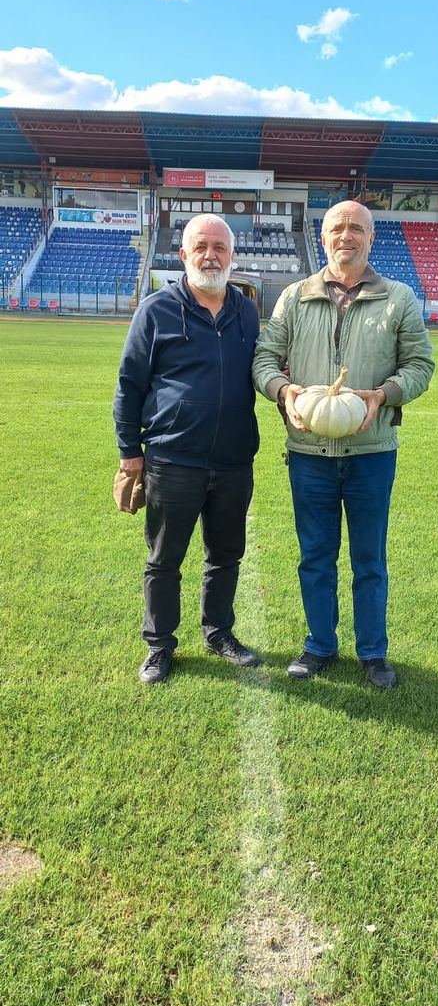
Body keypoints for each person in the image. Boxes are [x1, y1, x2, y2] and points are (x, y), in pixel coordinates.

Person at [252, 200, 434, 688]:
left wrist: (382, 395)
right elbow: (264, 360)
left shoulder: (399, 299)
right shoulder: (294, 297)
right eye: (337, 227)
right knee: (315, 555)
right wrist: (284, 391)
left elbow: (420, 366)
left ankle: (373, 653)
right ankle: (319, 646)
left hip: (372, 453)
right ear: (324, 236)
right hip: (309, 455)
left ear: (371, 238)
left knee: (369, 559)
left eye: (356, 227)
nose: (346, 235)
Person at [113, 214, 261, 683]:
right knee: (164, 559)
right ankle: (159, 645)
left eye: (219, 247)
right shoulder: (156, 309)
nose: (210, 255)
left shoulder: (248, 312)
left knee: (226, 554)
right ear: (183, 255)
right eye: (201, 246)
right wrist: (129, 453)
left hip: (234, 461)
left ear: (232, 256)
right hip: (172, 459)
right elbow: (128, 385)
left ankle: (218, 632)